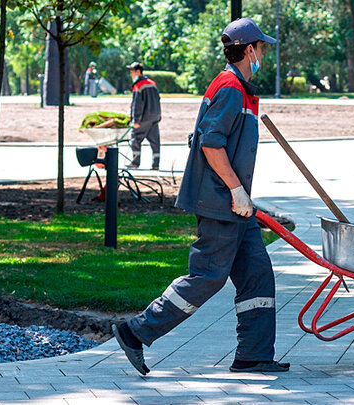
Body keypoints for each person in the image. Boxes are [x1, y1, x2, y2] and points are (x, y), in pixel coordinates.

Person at [112, 17, 289, 375]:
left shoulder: (240, 87)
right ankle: (135, 331)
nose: (264, 56)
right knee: (208, 275)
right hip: (222, 202)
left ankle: (253, 355)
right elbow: (211, 141)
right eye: (262, 49)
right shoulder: (229, 87)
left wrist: (243, 196)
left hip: (237, 206)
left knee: (257, 276)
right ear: (249, 50)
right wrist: (237, 190)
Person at [127, 62, 161, 170]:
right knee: (155, 142)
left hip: (143, 119)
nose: (131, 74)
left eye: (132, 72)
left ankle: (135, 162)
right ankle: (156, 164)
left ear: (138, 72)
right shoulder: (152, 83)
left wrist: (135, 120)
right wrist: (158, 116)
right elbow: (158, 100)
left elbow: (137, 105)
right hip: (154, 118)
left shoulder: (138, 86)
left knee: (135, 139)